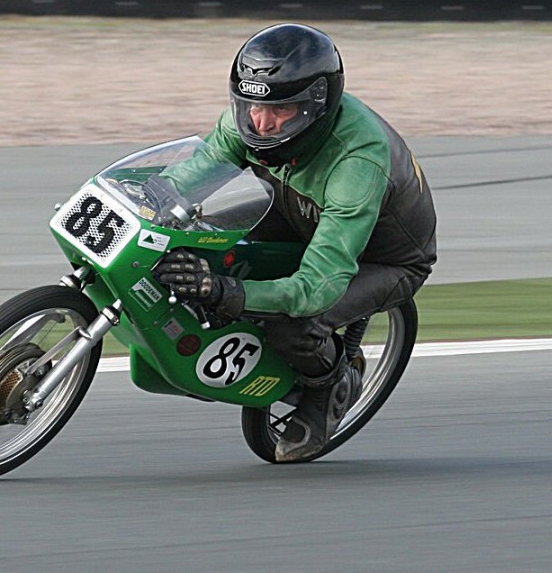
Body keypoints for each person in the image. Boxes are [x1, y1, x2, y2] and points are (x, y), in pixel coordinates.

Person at [154, 23, 437, 462]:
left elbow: (315, 287)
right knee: (197, 236)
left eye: (281, 110)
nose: (261, 123)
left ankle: (329, 388)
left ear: (315, 107)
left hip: (383, 259)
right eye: (250, 105)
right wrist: (152, 204)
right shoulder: (252, 118)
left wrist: (223, 291)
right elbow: (190, 176)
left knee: (293, 324)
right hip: (297, 213)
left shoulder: (357, 162)